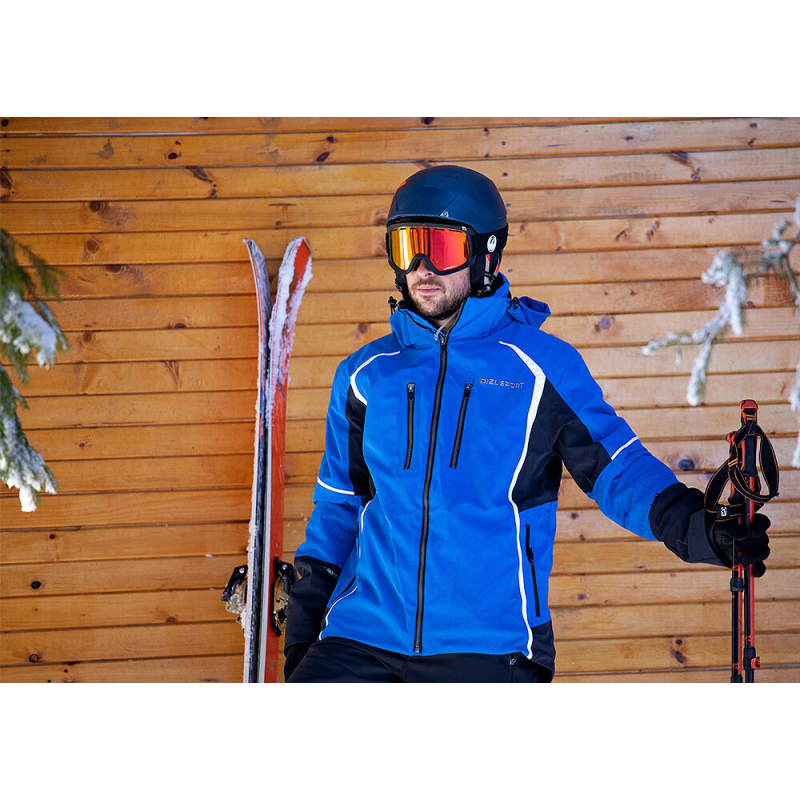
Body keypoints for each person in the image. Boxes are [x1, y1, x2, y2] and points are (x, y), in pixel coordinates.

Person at [283, 165, 771, 683]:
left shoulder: (539, 367)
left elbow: (616, 469)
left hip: (490, 647)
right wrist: (303, 636)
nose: (421, 268)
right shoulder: (365, 374)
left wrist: (699, 528)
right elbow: (338, 506)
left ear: (485, 253)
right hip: (358, 639)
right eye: (407, 248)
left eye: (441, 248)